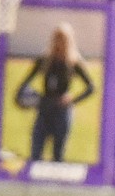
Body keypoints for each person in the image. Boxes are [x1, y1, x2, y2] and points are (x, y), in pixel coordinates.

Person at [19, 22, 94, 163]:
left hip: (62, 110)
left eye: (63, 39)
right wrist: (32, 98)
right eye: (57, 38)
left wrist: (72, 99)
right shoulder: (44, 60)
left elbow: (91, 87)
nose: (59, 43)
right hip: (45, 108)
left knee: (58, 155)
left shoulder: (73, 62)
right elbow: (24, 85)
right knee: (36, 153)